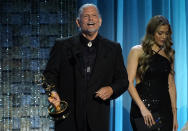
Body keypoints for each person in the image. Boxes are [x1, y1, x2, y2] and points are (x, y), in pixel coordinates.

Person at [43, 3, 129, 131]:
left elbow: (123, 81)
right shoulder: (62, 46)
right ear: (78, 22)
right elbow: (49, 75)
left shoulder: (113, 48)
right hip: (68, 119)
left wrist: (111, 89)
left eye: (94, 16)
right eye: (86, 16)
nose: (90, 19)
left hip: (97, 119)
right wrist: (53, 92)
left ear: (100, 21)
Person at [127, 15, 178, 131]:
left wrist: (174, 113)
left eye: (166, 33)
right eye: (160, 33)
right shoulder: (137, 51)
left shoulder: (169, 54)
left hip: (165, 110)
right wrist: (142, 108)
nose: (164, 37)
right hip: (144, 108)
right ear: (151, 32)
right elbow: (128, 82)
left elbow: (171, 84)